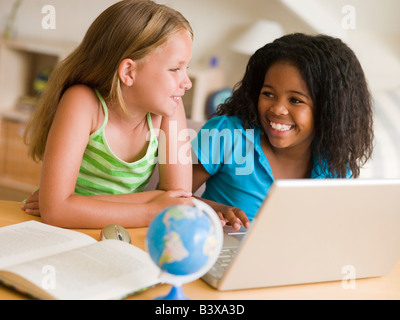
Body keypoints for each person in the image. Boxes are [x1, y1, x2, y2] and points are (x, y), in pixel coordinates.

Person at [21, 0, 194, 228]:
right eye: (175, 69)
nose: (187, 83)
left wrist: (70, 204)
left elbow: (179, 198)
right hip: (61, 232)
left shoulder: (170, 110)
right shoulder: (83, 102)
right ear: (129, 71)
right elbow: (55, 214)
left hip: (119, 232)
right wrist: (150, 210)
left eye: (187, 69)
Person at [192, 33, 374, 230]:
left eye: (295, 100)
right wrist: (211, 208)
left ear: (328, 110)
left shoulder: (335, 168)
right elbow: (169, 197)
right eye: (268, 94)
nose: (277, 109)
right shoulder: (228, 135)